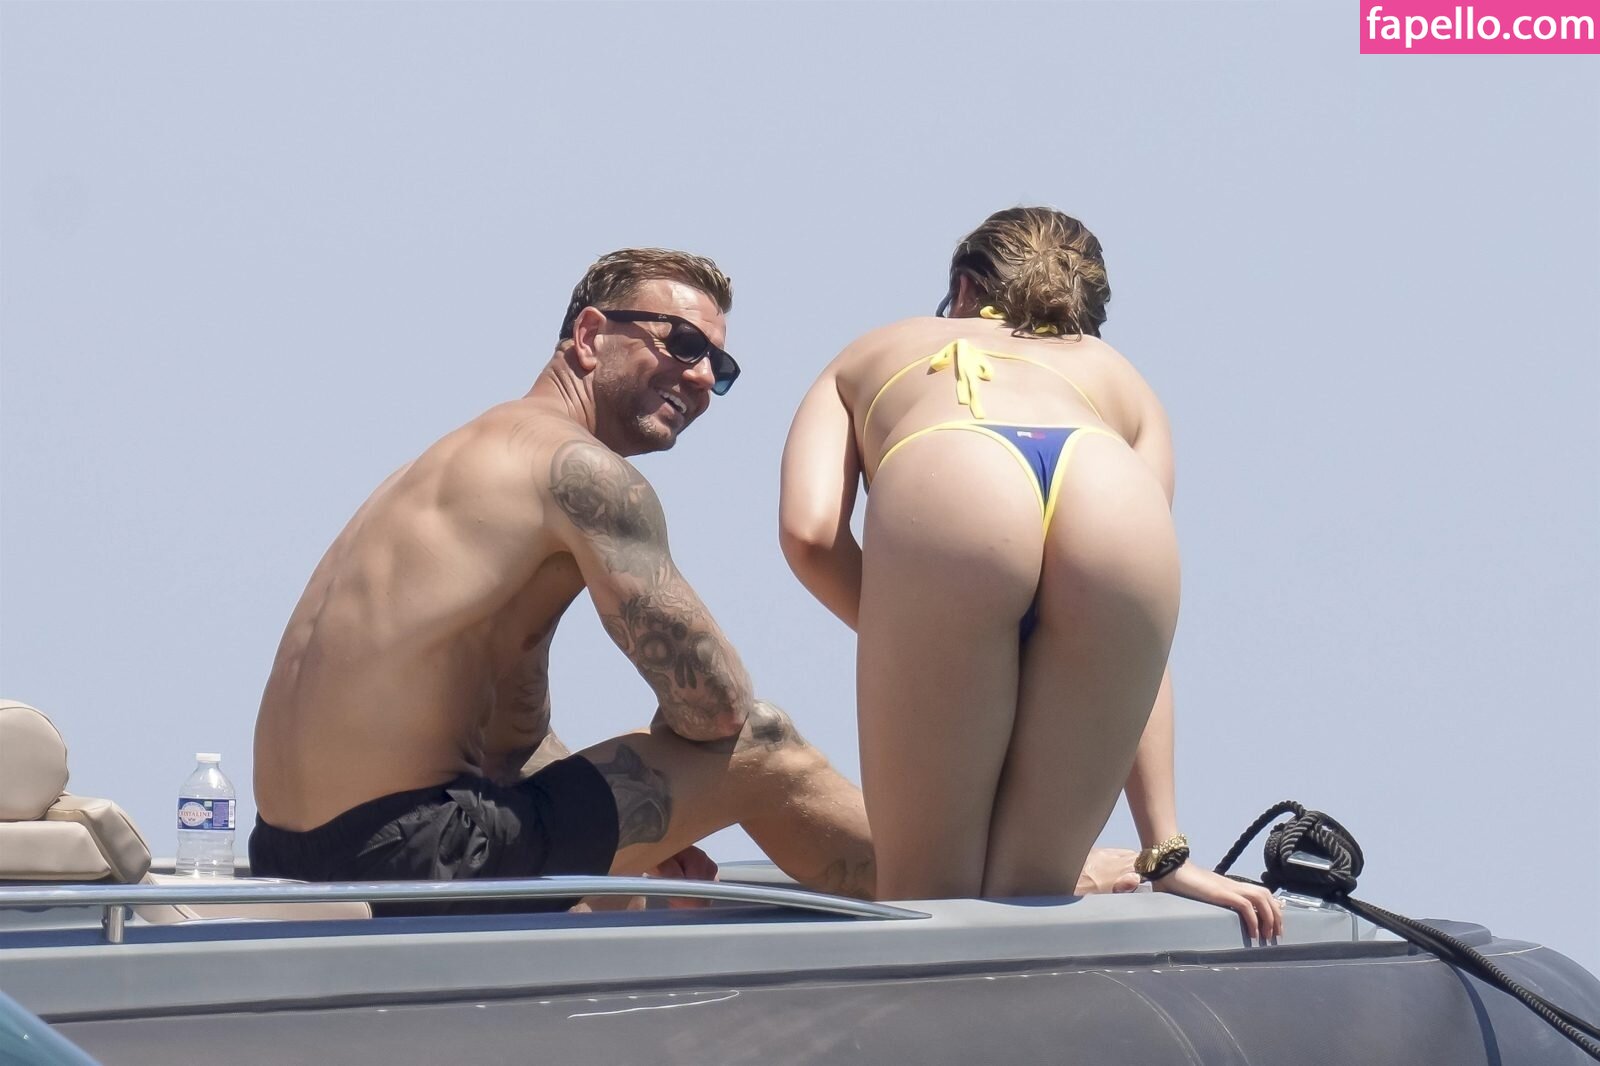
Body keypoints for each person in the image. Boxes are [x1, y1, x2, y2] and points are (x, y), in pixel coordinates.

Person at [250, 248, 878, 913]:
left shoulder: (450, 469)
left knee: (618, 895)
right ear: (589, 335)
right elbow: (719, 710)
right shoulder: (579, 471)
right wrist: (694, 779)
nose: (700, 376)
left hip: (291, 857)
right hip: (419, 853)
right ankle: (945, 899)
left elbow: (512, 741)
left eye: (718, 368)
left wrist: (655, 820)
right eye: (683, 343)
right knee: (764, 745)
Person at [779, 207, 1282, 938]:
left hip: (954, 472)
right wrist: (1165, 849)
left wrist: (916, 637)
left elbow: (809, 532)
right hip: (1106, 483)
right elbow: (1140, 647)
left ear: (963, 287)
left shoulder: (874, 349)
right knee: (1028, 904)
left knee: (927, 903)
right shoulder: (1121, 377)